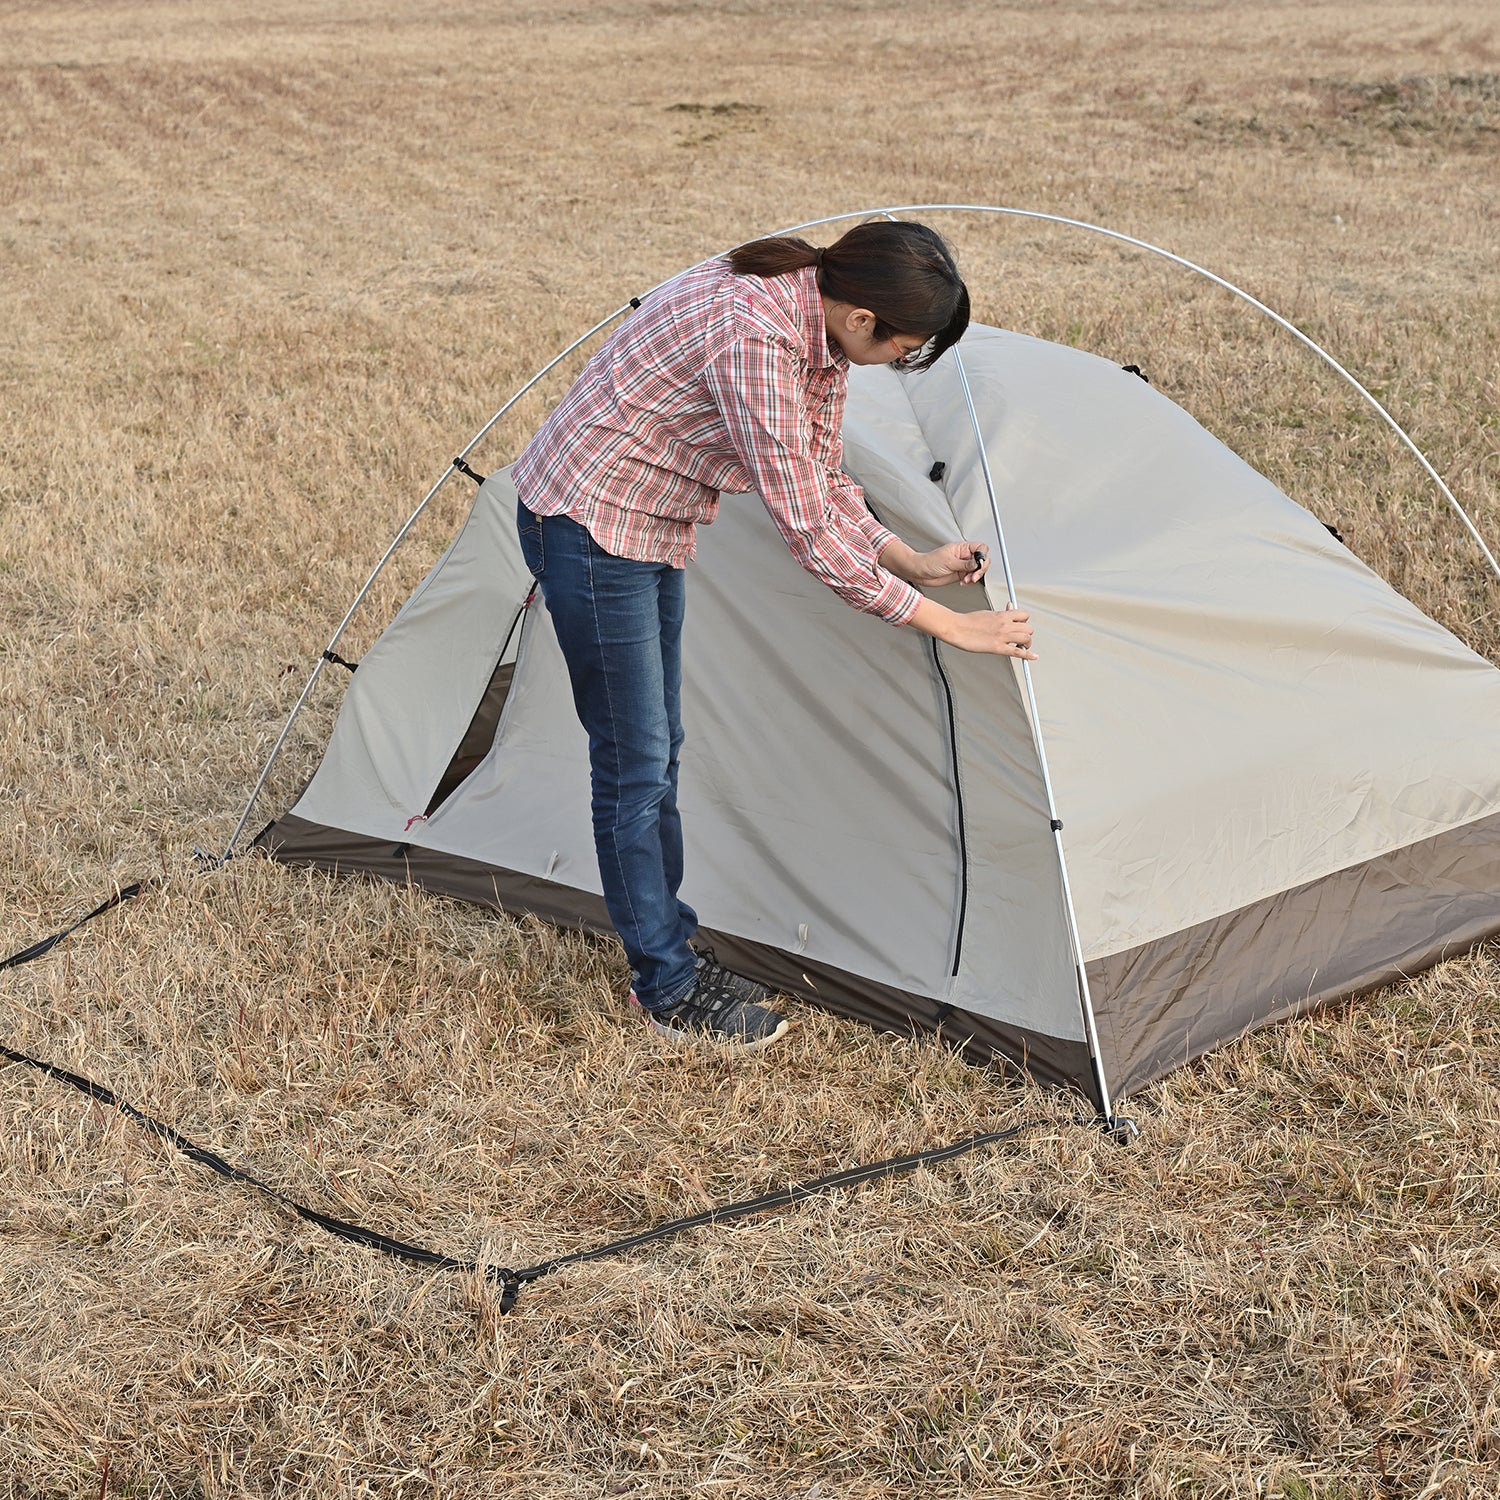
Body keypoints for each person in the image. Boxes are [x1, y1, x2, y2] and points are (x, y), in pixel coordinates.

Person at [512, 220, 1035, 1054]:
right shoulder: (758, 335)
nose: (903, 360)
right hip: (589, 525)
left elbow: (820, 471)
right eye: (904, 344)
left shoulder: (815, 317)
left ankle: (669, 941)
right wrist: (950, 628)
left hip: (645, 526)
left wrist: (908, 560)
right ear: (862, 316)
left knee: (656, 749)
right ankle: (668, 985)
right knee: (634, 763)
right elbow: (807, 531)